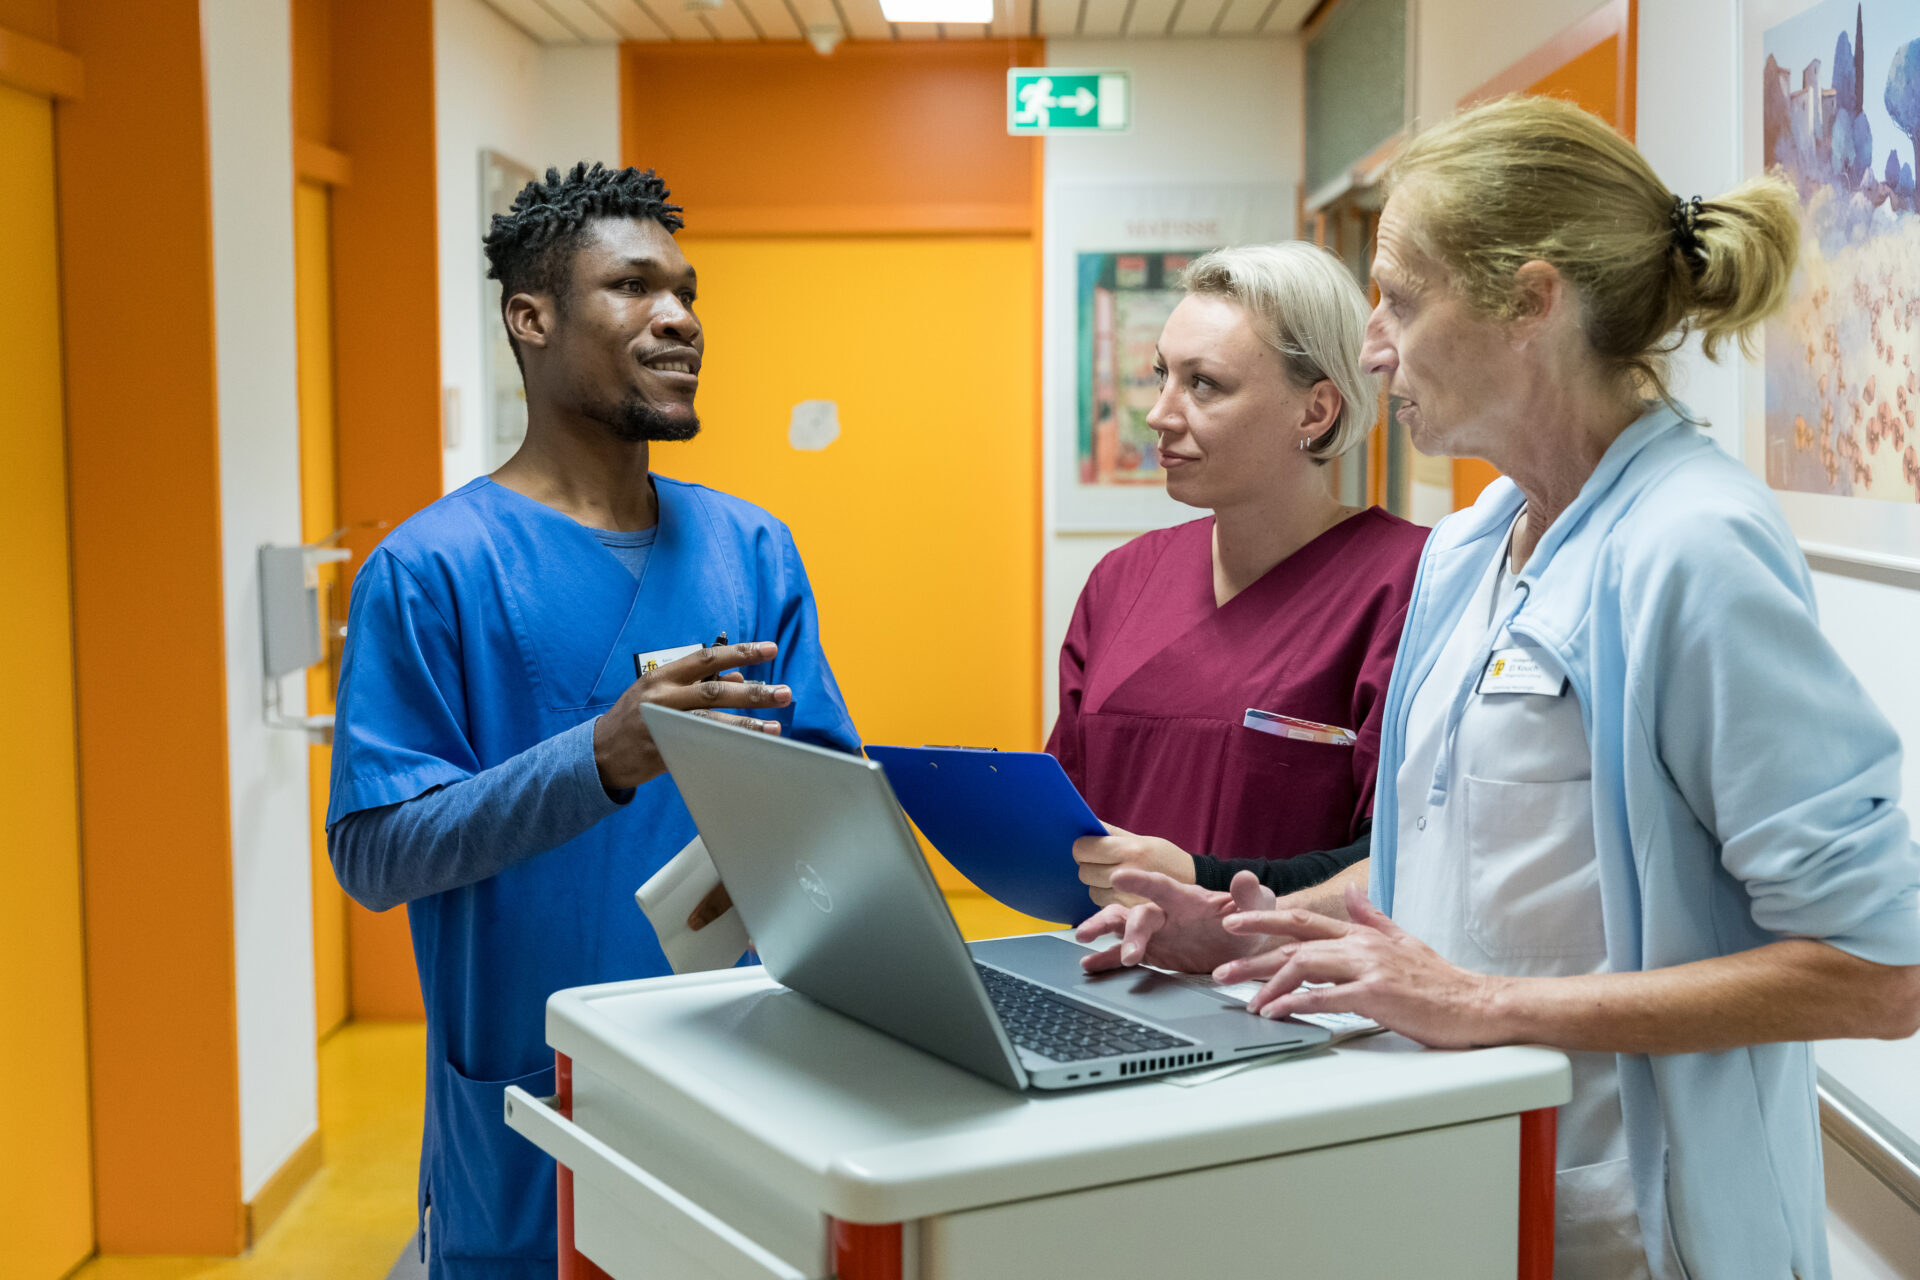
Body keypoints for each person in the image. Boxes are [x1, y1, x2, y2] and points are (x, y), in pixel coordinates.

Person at [1075, 97, 1920, 1279]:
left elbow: (1880, 974)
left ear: (1531, 301)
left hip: (1633, 1225)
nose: (1374, 347)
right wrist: (1234, 924)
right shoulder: (1473, 545)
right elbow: (1442, 856)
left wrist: (1483, 1001)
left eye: (1399, 300)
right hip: (1460, 1186)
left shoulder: (1693, 544)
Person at [325, 163, 858, 1280]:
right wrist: (600, 759)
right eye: (633, 287)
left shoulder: (752, 548)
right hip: (532, 1098)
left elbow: (828, 811)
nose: (680, 318)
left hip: (738, 1080)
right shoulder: (431, 570)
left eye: (687, 292)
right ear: (532, 319)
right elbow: (375, 853)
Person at [1054, 243, 1428, 906]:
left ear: (1315, 411)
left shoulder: (1410, 585)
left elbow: (1410, 855)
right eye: (1162, 374)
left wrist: (1204, 887)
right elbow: (1065, 818)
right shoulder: (1121, 581)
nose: (1160, 414)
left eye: (1203, 384)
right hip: (1102, 962)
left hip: (1294, 968)